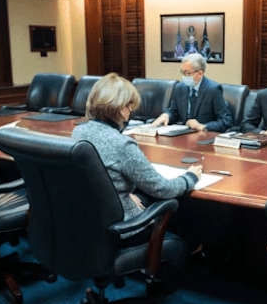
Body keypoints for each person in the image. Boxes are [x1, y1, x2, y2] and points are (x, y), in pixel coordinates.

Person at [72, 73, 202, 240]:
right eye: (129, 106)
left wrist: (120, 193)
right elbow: (163, 188)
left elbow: (96, 177)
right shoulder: (122, 144)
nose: (131, 111)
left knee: (143, 197)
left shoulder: (79, 131)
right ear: (120, 107)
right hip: (120, 229)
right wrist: (190, 177)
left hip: (89, 219)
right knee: (179, 214)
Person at [152, 53, 232, 132]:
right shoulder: (179, 88)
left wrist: (203, 126)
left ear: (200, 73)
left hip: (204, 137)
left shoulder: (213, 89)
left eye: (187, 73)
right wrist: (167, 116)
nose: (184, 76)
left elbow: (226, 121)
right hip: (183, 136)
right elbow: (174, 111)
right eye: (182, 72)